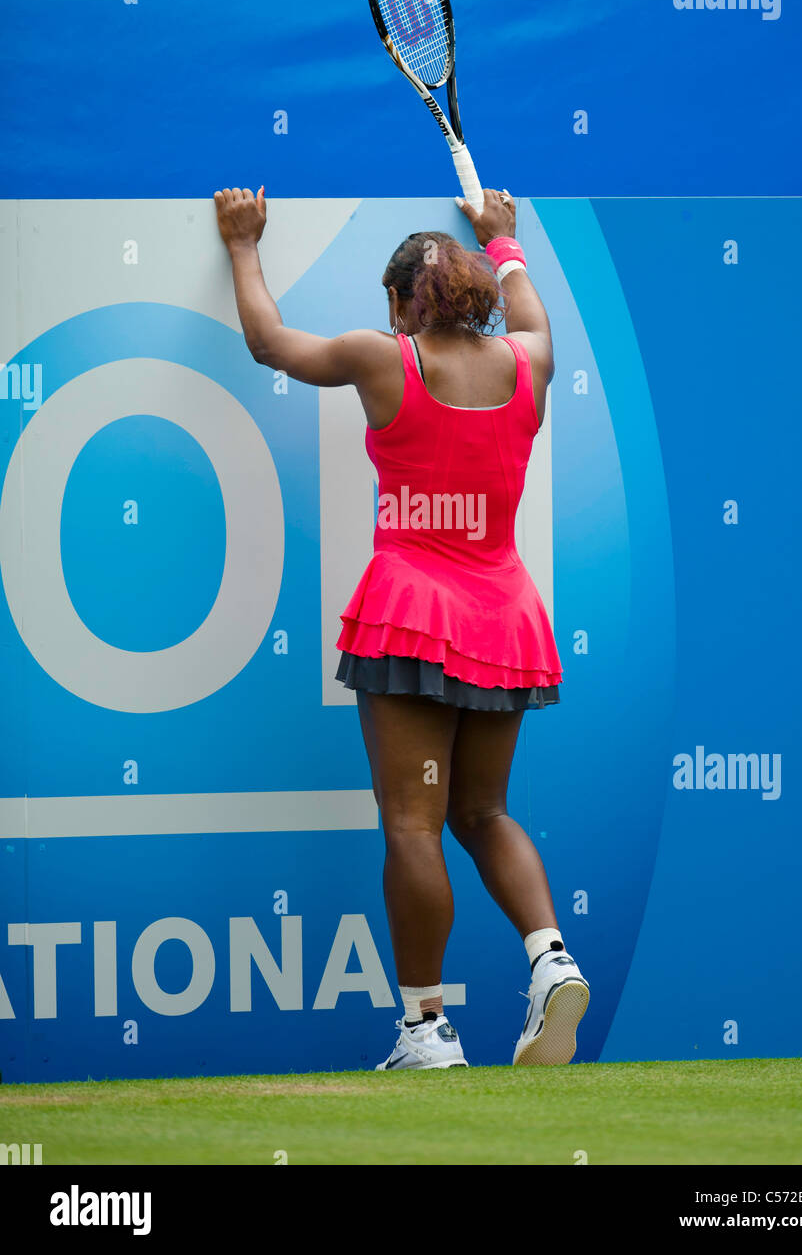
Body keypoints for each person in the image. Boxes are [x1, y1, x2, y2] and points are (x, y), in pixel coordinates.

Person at [214, 183, 590, 1070]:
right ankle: (550, 958)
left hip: (414, 617)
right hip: (505, 619)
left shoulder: (384, 358)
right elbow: (525, 295)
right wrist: (502, 238)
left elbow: (270, 341)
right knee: (485, 810)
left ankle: (426, 1032)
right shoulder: (529, 358)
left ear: (397, 303)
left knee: (416, 825)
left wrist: (241, 243)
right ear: (477, 295)